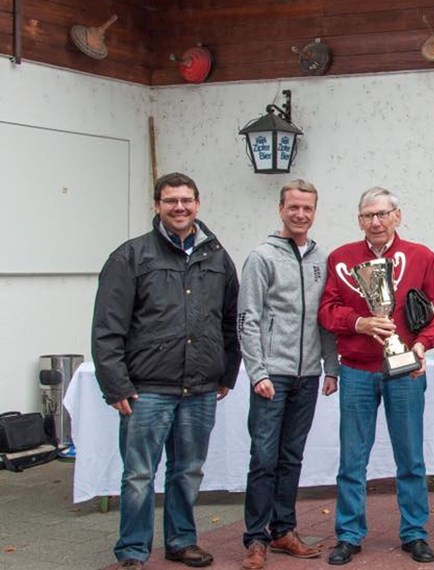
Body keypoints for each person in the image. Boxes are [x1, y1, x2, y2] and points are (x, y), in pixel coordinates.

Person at [92, 172, 241, 570]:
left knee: (188, 471)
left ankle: (181, 541)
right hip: (147, 389)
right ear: (157, 205)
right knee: (139, 474)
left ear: (198, 203)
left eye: (187, 200)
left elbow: (230, 321)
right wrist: (115, 385)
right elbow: (108, 327)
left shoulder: (216, 256)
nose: (180, 207)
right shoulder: (131, 256)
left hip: (201, 388)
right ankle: (133, 550)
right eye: (171, 200)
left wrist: (227, 372)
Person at [318, 187, 434, 566]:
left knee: (410, 456)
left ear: (398, 215)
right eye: (367, 216)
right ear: (359, 219)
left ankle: (414, 533)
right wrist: (359, 322)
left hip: (406, 369)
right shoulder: (341, 258)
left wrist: (423, 344)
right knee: (352, 458)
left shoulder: (421, 257)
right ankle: (349, 535)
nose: (375, 222)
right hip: (358, 369)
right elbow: (327, 312)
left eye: (382, 214)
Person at [237, 180, 340, 569]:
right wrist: (257, 371)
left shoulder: (322, 259)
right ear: (281, 209)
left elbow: (326, 319)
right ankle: (255, 537)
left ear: (315, 212)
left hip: (308, 376)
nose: (300, 214)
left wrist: (331, 367)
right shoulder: (261, 257)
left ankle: (283, 529)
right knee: (263, 457)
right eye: (293, 207)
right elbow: (247, 319)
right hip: (272, 376)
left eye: (307, 209)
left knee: (291, 456)